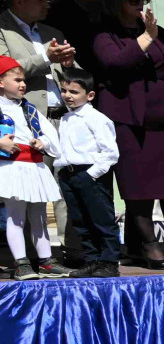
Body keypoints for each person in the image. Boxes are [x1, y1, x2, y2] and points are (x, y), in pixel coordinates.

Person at [93, 0, 164, 269]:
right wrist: (148, 37)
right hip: (131, 121)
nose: (140, 5)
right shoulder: (104, 34)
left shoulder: (152, 30)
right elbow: (116, 64)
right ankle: (149, 247)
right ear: (116, 2)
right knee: (140, 186)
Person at [50, 69, 121, 277]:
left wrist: (91, 175)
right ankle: (92, 260)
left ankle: (109, 261)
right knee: (80, 221)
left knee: (101, 219)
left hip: (91, 173)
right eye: (64, 90)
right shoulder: (65, 119)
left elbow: (110, 152)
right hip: (69, 174)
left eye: (74, 91)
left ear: (89, 95)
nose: (67, 95)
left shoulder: (96, 118)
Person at [0, 55, 64, 279]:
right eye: (17, 80)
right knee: (15, 216)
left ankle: (46, 261)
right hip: (13, 167)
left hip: (34, 166)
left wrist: (43, 142)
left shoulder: (29, 109)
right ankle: (21, 263)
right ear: (0, 82)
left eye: (24, 80)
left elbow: (51, 134)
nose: (23, 84)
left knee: (39, 216)